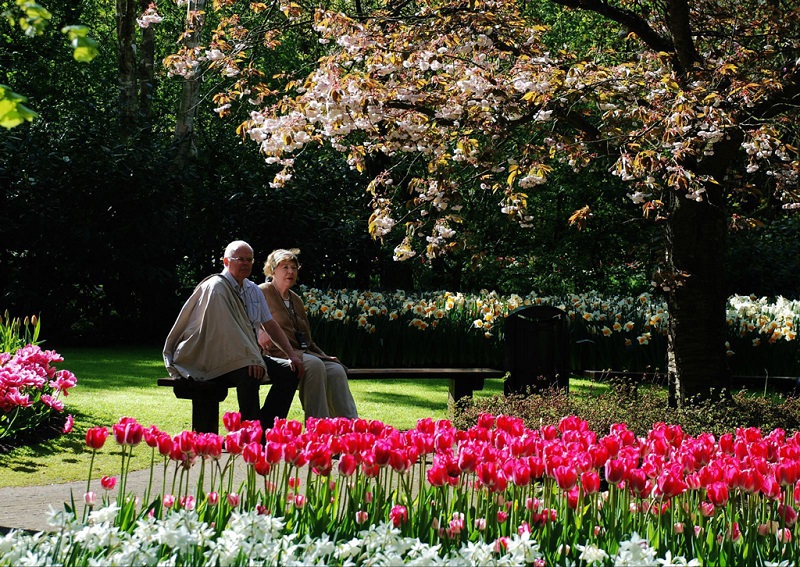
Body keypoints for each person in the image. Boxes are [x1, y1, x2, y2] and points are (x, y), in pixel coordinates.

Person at [164, 240, 305, 430]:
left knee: (290, 372)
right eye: (240, 259)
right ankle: (251, 435)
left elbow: (270, 324)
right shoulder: (216, 287)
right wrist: (251, 359)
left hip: (247, 356)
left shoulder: (253, 289)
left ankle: (264, 428)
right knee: (249, 374)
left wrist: (292, 356)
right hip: (215, 358)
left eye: (249, 259)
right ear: (225, 261)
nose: (245, 263)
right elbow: (225, 331)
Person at [259, 248, 358, 420]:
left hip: (303, 353)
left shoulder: (295, 299)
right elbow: (248, 319)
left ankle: (350, 427)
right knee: (314, 365)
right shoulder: (262, 292)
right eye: (285, 267)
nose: (290, 271)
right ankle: (319, 426)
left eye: (294, 267)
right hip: (275, 355)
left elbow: (307, 339)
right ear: (273, 270)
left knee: (335, 370)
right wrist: (260, 330)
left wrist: (325, 356)